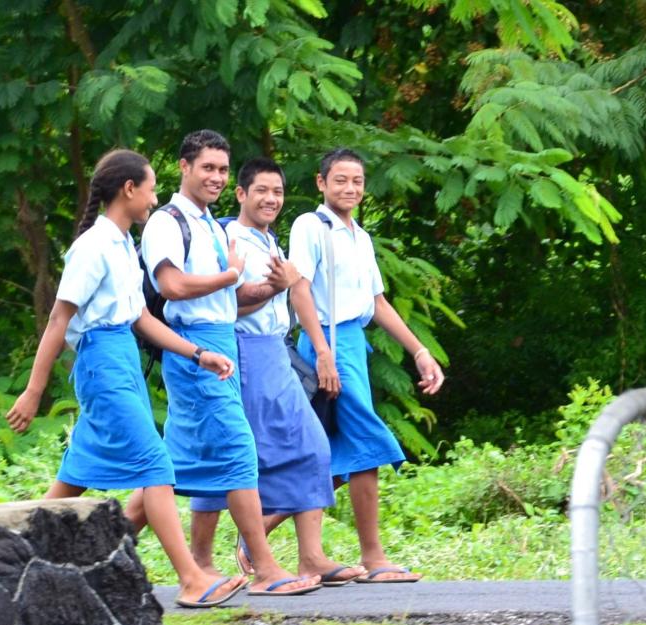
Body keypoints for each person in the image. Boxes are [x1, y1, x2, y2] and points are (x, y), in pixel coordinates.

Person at [5, 148, 247, 608]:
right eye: (152, 189)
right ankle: (192, 579)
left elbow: (141, 318)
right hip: (102, 366)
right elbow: (59, 319)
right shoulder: (93, 247)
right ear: (129, 189)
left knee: (73, 477)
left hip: (123, 361)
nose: (155, 199)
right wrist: (33, 391)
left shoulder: (120, 245)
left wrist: (198, 353)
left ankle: (21, 560)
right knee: (157, 465)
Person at [126, 131, 320, 596]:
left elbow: (230, 301)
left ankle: (93, 561)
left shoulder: (213, 224)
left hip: (220, 344)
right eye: (207, 167)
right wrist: (230, 275)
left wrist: (270, 286)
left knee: (169, 466)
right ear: (184, 167)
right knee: (238, 451)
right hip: (193, 348)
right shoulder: (168, 222)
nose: (215, 177)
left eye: (221, 169)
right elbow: (171, 286)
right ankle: (268, 571)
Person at [186, 157, 366, 586]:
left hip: (276, 351)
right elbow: (230, 301)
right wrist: (275, 286)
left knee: (312, 448)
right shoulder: (230, 238)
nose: (271, 199)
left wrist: (317, 345)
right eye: (262, 191)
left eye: (278, 192)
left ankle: (312, 557)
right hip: (242, 352)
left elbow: (294, 290)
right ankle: (202, 561)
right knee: (229, 455)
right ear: (241, 194)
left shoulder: (269, 241)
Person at [287, 147, 445, 583]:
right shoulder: (310, 226)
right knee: (369, 442)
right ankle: (372, 558)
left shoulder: (360, 237)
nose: (350, 188)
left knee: (341, 452)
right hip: (327, 340)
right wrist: (321, 352)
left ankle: (265, 530)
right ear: (321, 183)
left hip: (353, 344)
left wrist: (419, 350)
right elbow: (298, 289)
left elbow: (376, 303)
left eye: (357, 181)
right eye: (340, 180)